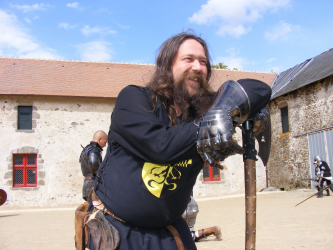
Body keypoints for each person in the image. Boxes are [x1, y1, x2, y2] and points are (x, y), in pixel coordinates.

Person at [86, 31, 271, 250]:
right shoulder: (134, 99)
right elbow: (160, 146)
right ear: (167, 66)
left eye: (203, 62)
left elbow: (261, 89)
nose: (197, 67)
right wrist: (211, 122)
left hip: (168, 230)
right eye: (188, 59)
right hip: (118, 231)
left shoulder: (207, 109)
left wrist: (222, 108)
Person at [79, 130, 108, 201]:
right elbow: (93, 164)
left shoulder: (86, 149)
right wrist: (99, 177)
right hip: (92, 185)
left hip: (88, 184)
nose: (105, 145)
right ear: (99, 139)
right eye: (104, 142)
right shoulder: (93, 150)